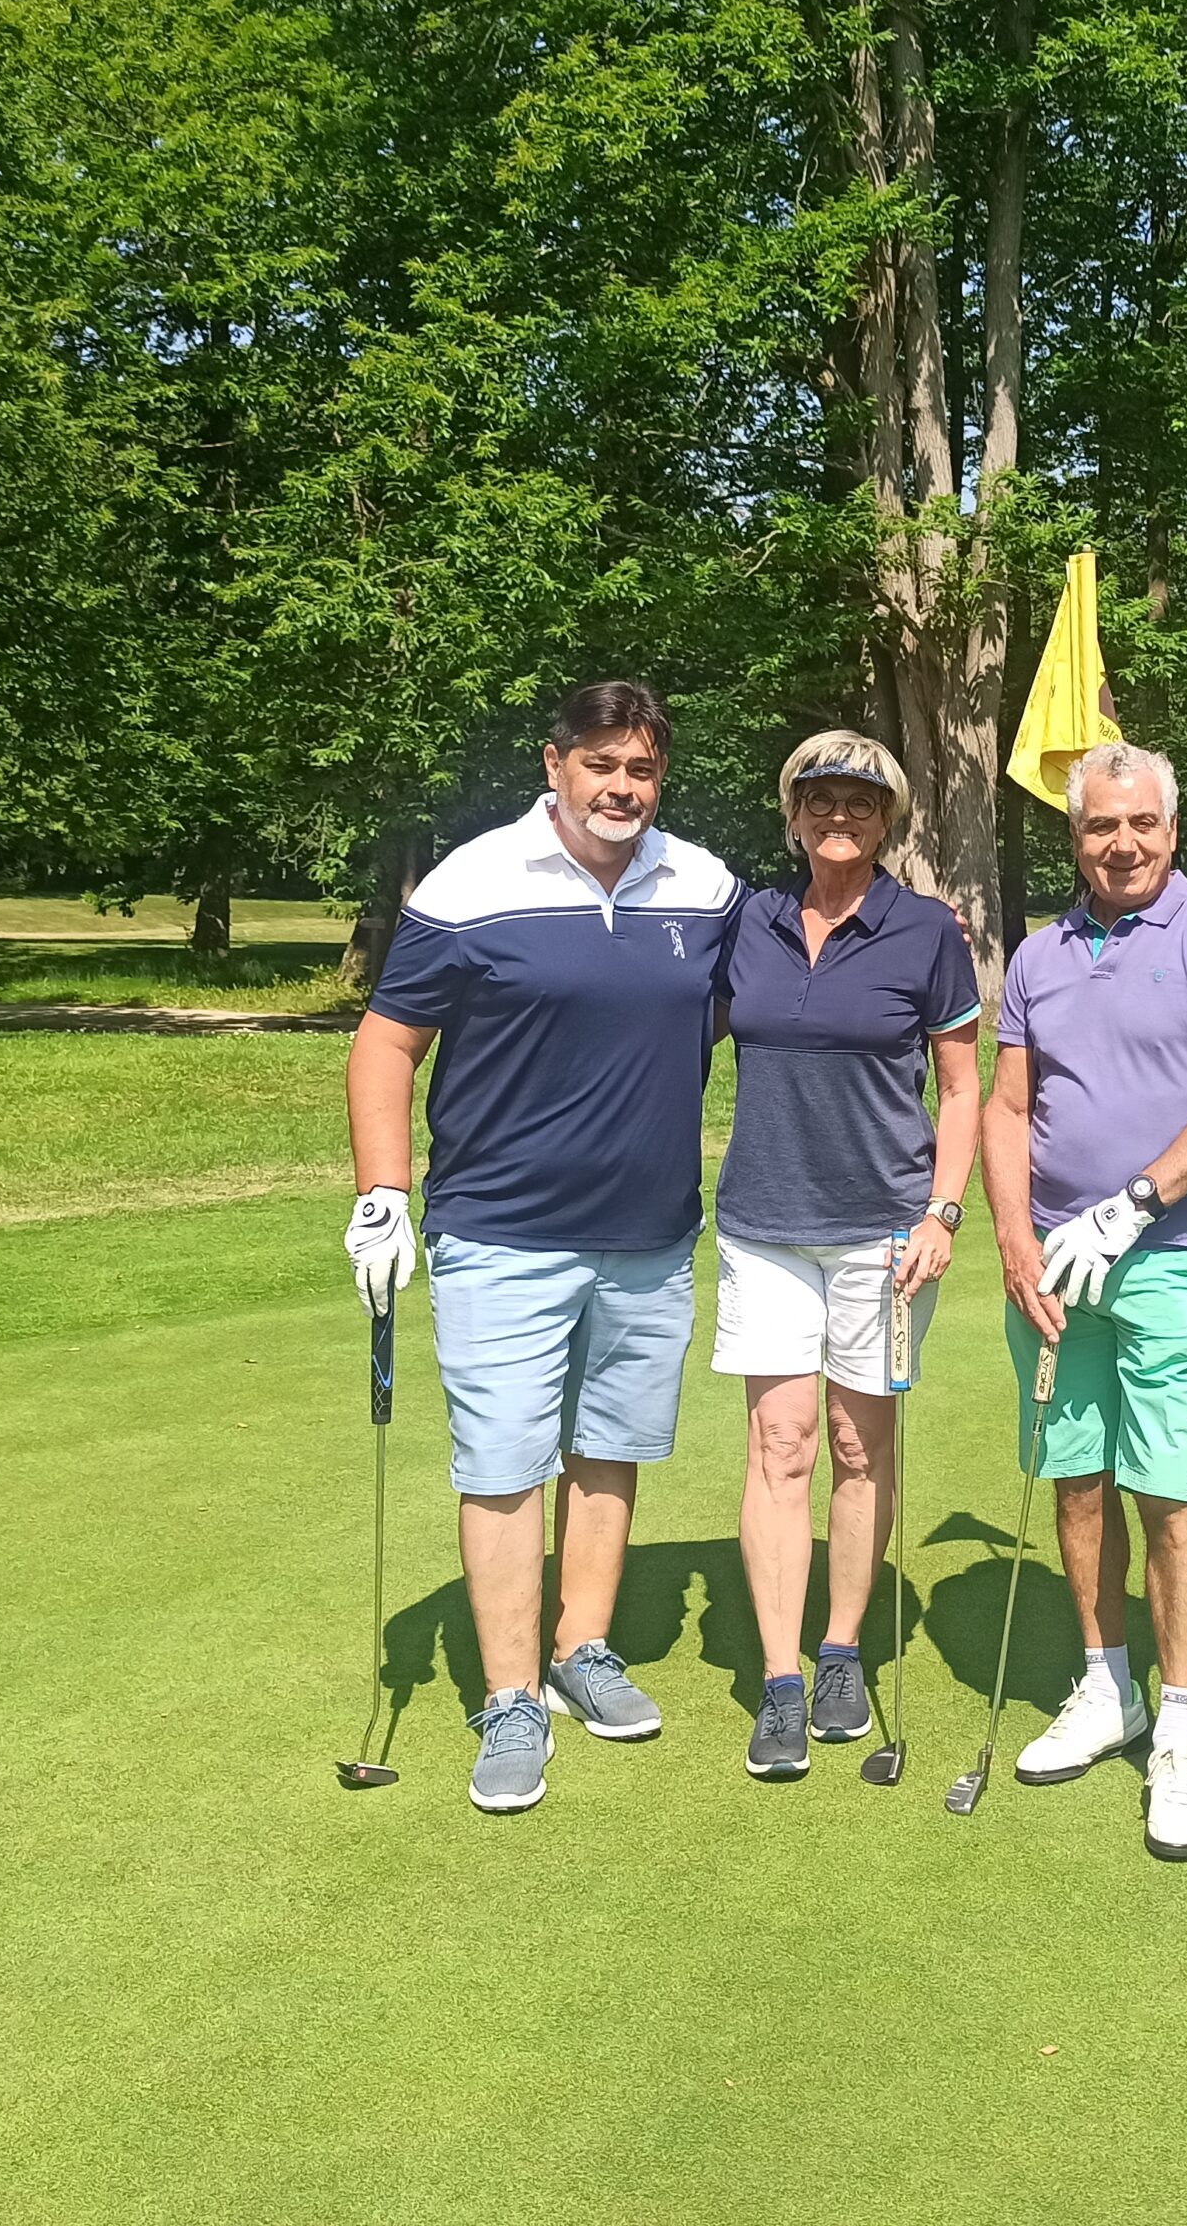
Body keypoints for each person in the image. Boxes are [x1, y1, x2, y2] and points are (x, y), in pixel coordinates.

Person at [342, 681, 743, 1815]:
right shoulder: (472, 883)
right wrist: (384, 1194)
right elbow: (386, 1046)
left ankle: (583, 1649)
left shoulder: (704, 885)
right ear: (555, 764)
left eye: (642, 769)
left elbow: (738, 1005)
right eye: (600, 764)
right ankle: (512, 1696)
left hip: (649, 1233)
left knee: (609, 1448)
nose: (622, 787)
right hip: (500, 1230)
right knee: (506, 1462)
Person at [982, 741, 1187, 1861]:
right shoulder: (1038, 953)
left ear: (1172, 827)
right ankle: (1108, 1686)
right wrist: (1017, 1240)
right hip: (1055, 1261)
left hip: (1164, 1253)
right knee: (1077, 1478)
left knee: (1168, 1489)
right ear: (1075, 836)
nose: (1122, 843)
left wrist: (1136, 1202)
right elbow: (1009, 1109)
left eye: (1141, 822)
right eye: (1101, 825)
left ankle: (1181, 1729)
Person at [711, 731, 982, 1780]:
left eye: (861, 802)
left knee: (859, 1448)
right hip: (764, 1224)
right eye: (819, 798)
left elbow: (960, 1085)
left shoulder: (927, 931)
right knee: (780, 1445)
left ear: (887, 821)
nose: (839, 815)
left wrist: (943, 1212)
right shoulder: (750, 920)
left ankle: (840, 1652)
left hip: (885, 1231)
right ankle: (781, 1677)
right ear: (791, 814)